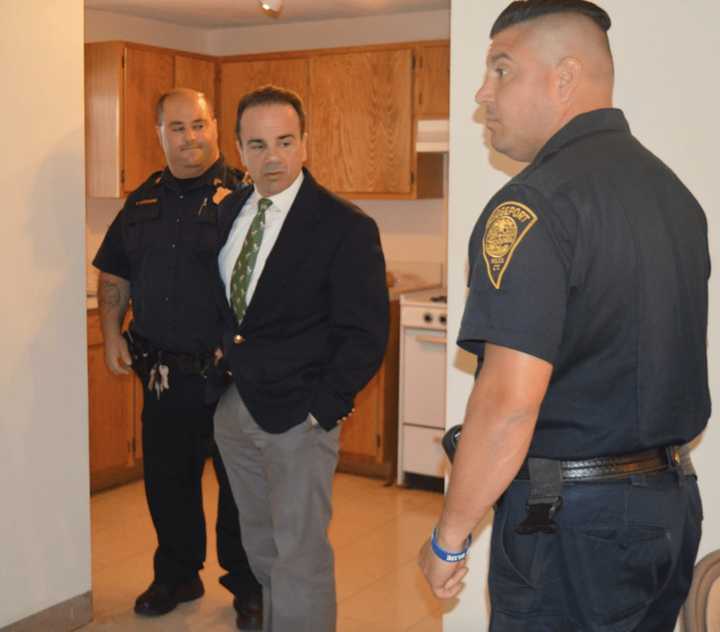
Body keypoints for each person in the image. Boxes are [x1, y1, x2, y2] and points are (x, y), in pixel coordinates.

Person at [418, 1, 710, 630]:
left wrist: (450, 534)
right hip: (670, 507)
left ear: (564, 78)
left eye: (500, 71)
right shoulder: (675, 197)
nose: (481, 93)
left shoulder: (533, 205)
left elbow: (507, 402)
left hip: (573, 526)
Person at [210, 85, 389, 632]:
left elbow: (365, 332)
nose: (273, 158)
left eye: (285, 142)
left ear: (306, 143)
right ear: (239, 149)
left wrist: (323, 407)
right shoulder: (228, 213)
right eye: (258, 145)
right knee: (259, 544)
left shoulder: (344, 225)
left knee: (301, 554)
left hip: (299, 417)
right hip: (235, 409)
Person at [93, 88, 263, 629]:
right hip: (162, 372)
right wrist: (111, 333)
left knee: (240, 488)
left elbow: (269, 283)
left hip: (230, 376)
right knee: (168, 482)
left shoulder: (244, 197)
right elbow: (114, 273)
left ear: (215, 125)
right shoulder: (141, 201)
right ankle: (176, 574)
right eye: (177, 128)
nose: (190, 138)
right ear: (159, 133)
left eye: (199, 125)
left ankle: (248, 587)